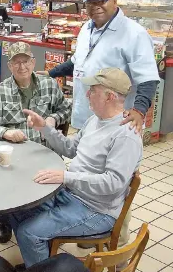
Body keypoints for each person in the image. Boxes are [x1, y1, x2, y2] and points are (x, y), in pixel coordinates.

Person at [37, 0, 159, 248]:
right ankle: (84, 225)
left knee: (116, 184)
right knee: (85, 163)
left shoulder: (134, 33)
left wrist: (139, 110)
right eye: (91, 3)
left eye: (101, 1)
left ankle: (115, 240)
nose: (96, 7)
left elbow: (149, 77)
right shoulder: (87, 28)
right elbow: (79, 62)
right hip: (89, 115)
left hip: (117, 120)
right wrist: (53, 73)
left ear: (115, 0)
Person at [10, 67, 142, 270]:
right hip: (71, 194)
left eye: (93, 91)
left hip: (97, 209)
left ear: (110, 96)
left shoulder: (125, 135)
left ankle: (39, 265)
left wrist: (66, 177)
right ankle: (38, 265)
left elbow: (113, 183)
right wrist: (44, 127)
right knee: (16, 208)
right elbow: (71, 148)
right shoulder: (94, 121)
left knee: (30, 232)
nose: (87, 94)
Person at [0, 41, 71, 244]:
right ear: (9, 66)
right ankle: (6, 220)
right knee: (4, 176)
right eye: (16, 62)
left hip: (45, 153)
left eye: (25, 61)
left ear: (33, 62)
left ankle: (43, 219)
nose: (22, 67)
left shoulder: (49, 85)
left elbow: (66, 109)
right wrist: (5, 132)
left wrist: (53, 119)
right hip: (13, 157)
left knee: (47, 188)